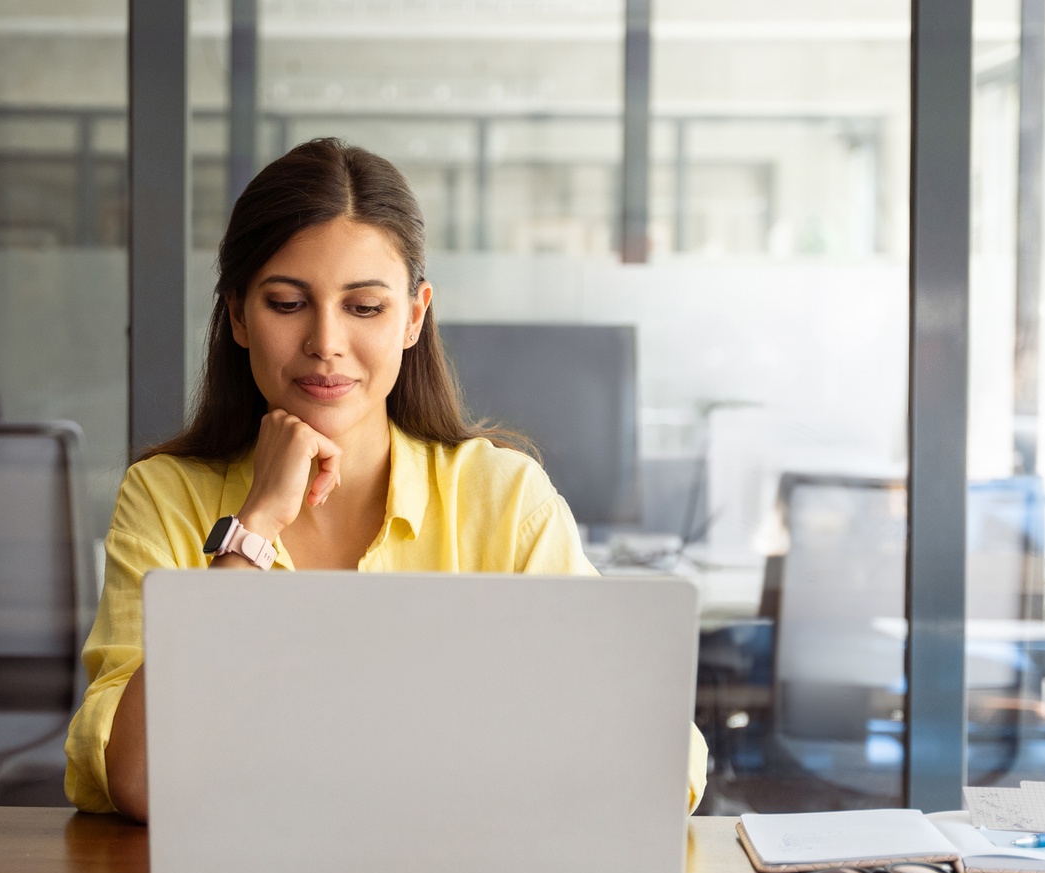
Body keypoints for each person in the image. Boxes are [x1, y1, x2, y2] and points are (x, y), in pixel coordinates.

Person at [63, 138, 707, 821]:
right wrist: (250, 532)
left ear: (414, 316)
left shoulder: (503, 497)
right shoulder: (165, 495)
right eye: (287, 303)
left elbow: (660, 760)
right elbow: (136, 778)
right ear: (238, 317)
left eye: (364, 307)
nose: (326, 342)